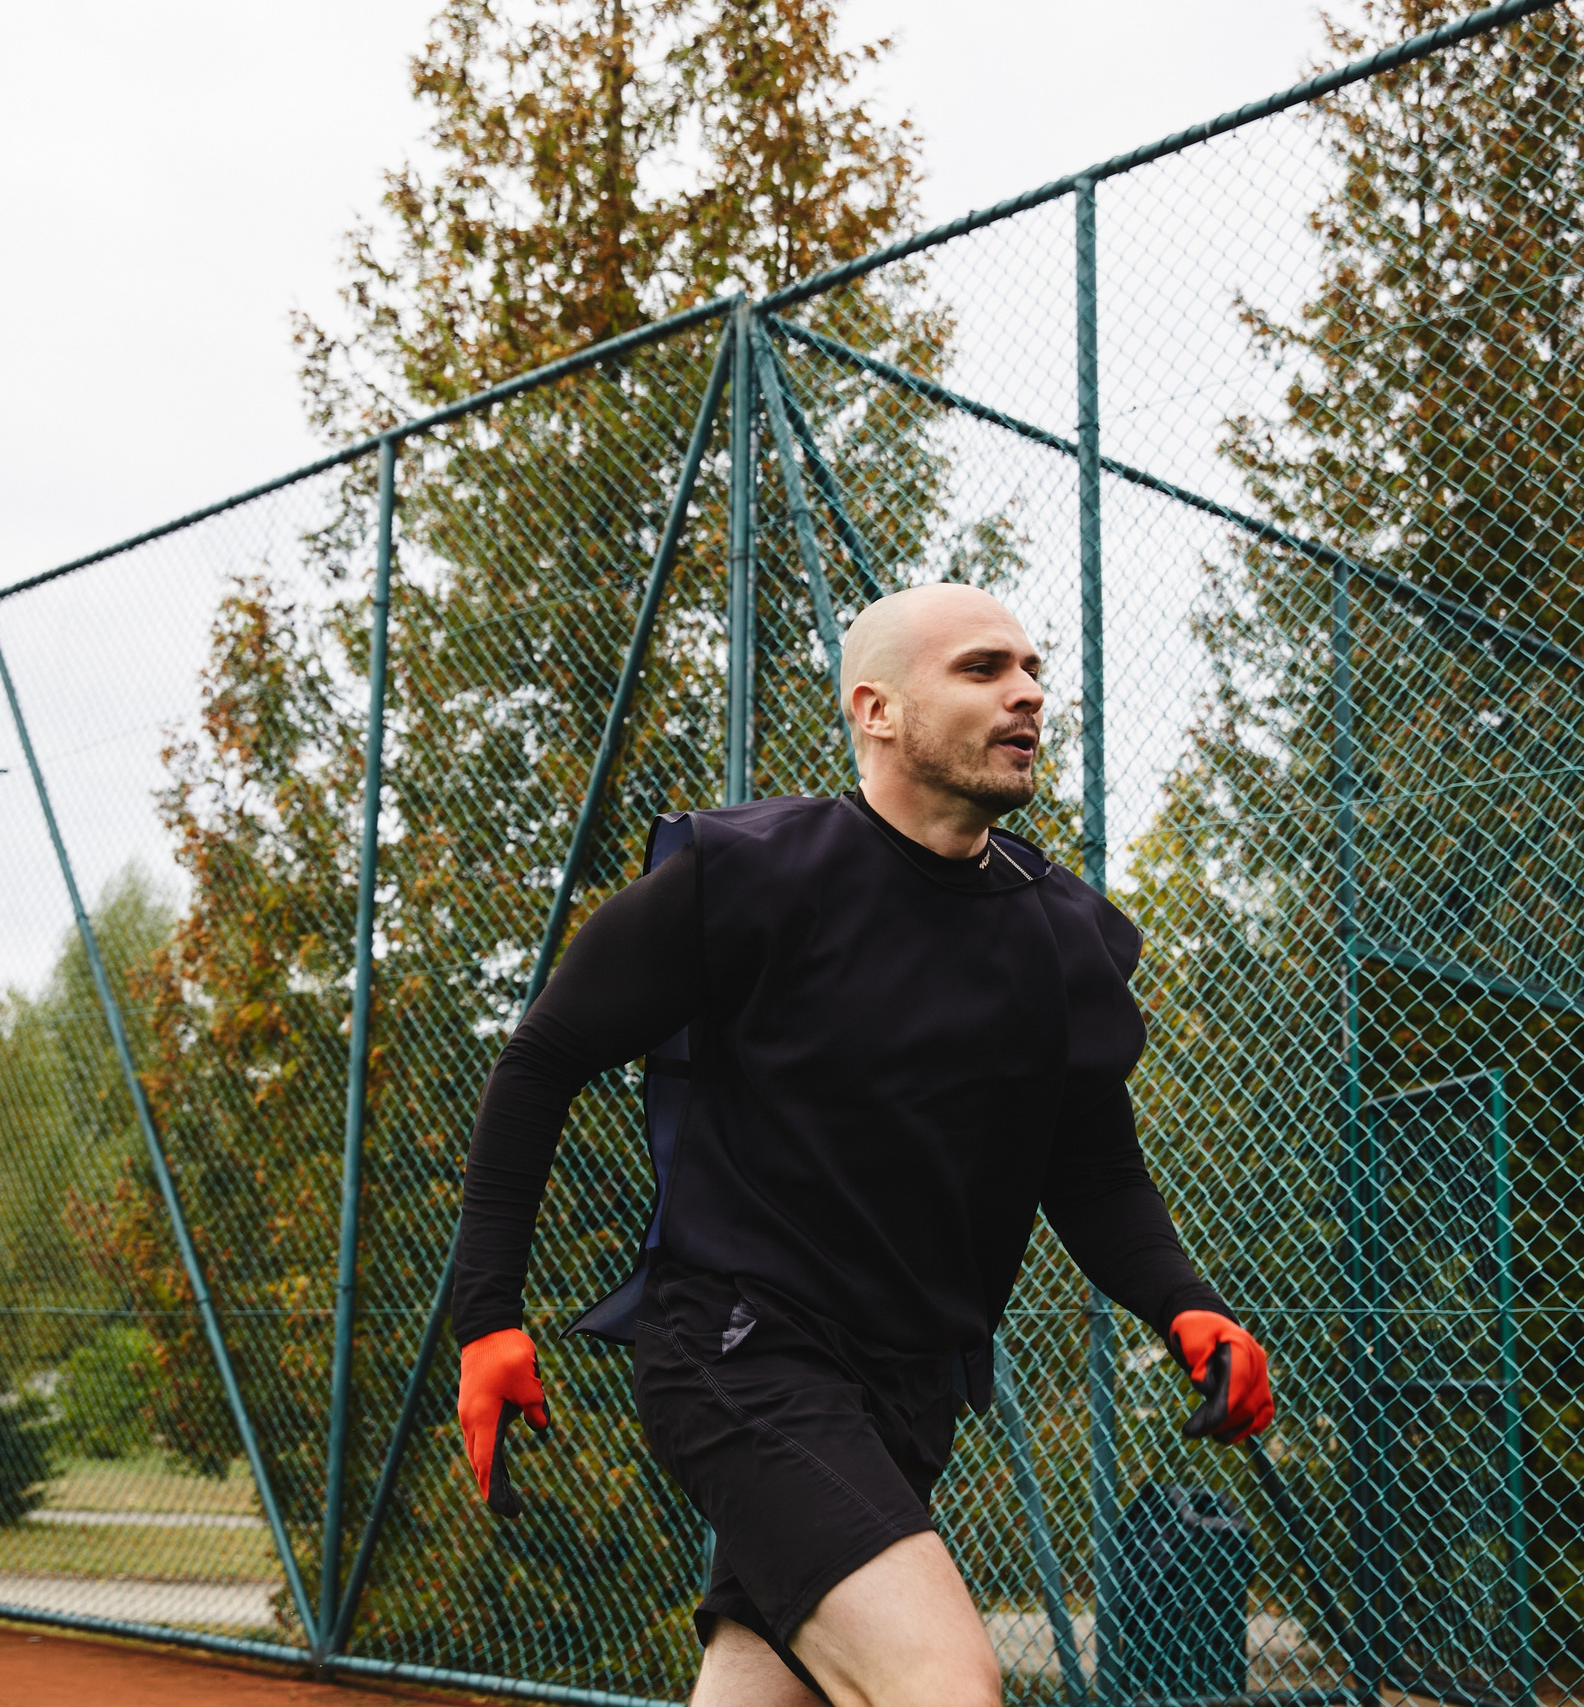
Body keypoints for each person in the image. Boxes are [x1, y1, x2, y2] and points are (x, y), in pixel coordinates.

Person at [451, 582, 1278, 1707]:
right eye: (983, 670)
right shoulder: (746, 877)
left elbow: (1087, 1163)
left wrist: (1181, 1303)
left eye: (1031, 671)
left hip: (906, 1389)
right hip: (739, 1349)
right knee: (943, 1685)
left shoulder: (1057, 932)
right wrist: (487, 1320)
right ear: (876, 709)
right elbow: (541, 1059)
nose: (1028, 693)